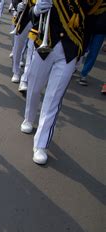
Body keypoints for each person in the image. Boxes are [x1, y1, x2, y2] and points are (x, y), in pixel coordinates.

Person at [21, 0, 102, 165]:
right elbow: (29, 10)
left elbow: (92, 22)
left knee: (53, 98)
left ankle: (41, 144)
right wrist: (35, 11)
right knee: (34, 88)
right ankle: (28, 118)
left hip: (70, 49)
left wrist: (82, 51)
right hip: (45, 41)